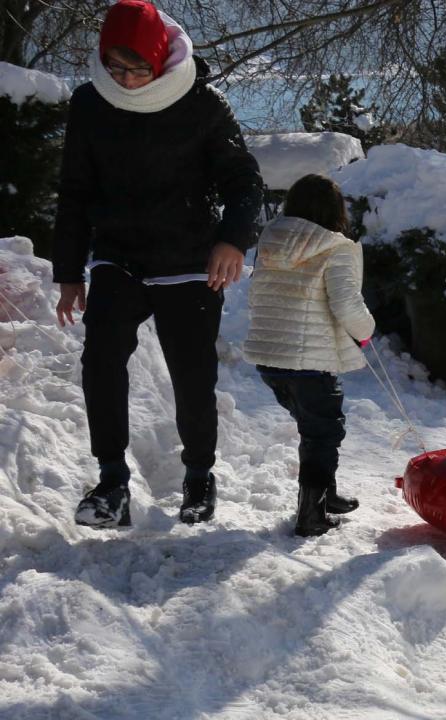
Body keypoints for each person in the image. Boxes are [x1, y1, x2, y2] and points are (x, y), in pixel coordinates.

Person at [52, 0, 263, 528]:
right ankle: (110, 483)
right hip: (118, 255)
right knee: (100, 361)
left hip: (188, 257)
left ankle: (198, 476)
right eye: (115, 68)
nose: (125, 80)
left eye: (137, 69)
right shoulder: (90, 103)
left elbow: (245, 181)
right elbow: (75, 192)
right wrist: (69, 271)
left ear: (160, 57)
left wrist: (233, 241)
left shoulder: (203, 104)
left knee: (192, 375)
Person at [243, 174, 376, 536]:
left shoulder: (270, 240)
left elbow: (255, 293)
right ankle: (311, 515)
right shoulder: (337, 248)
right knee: (323, 433)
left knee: (315, 429)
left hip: (270, 358)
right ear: (336, 210)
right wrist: (366, 331)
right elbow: (347, 303)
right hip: (310, 361)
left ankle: (325, 496)